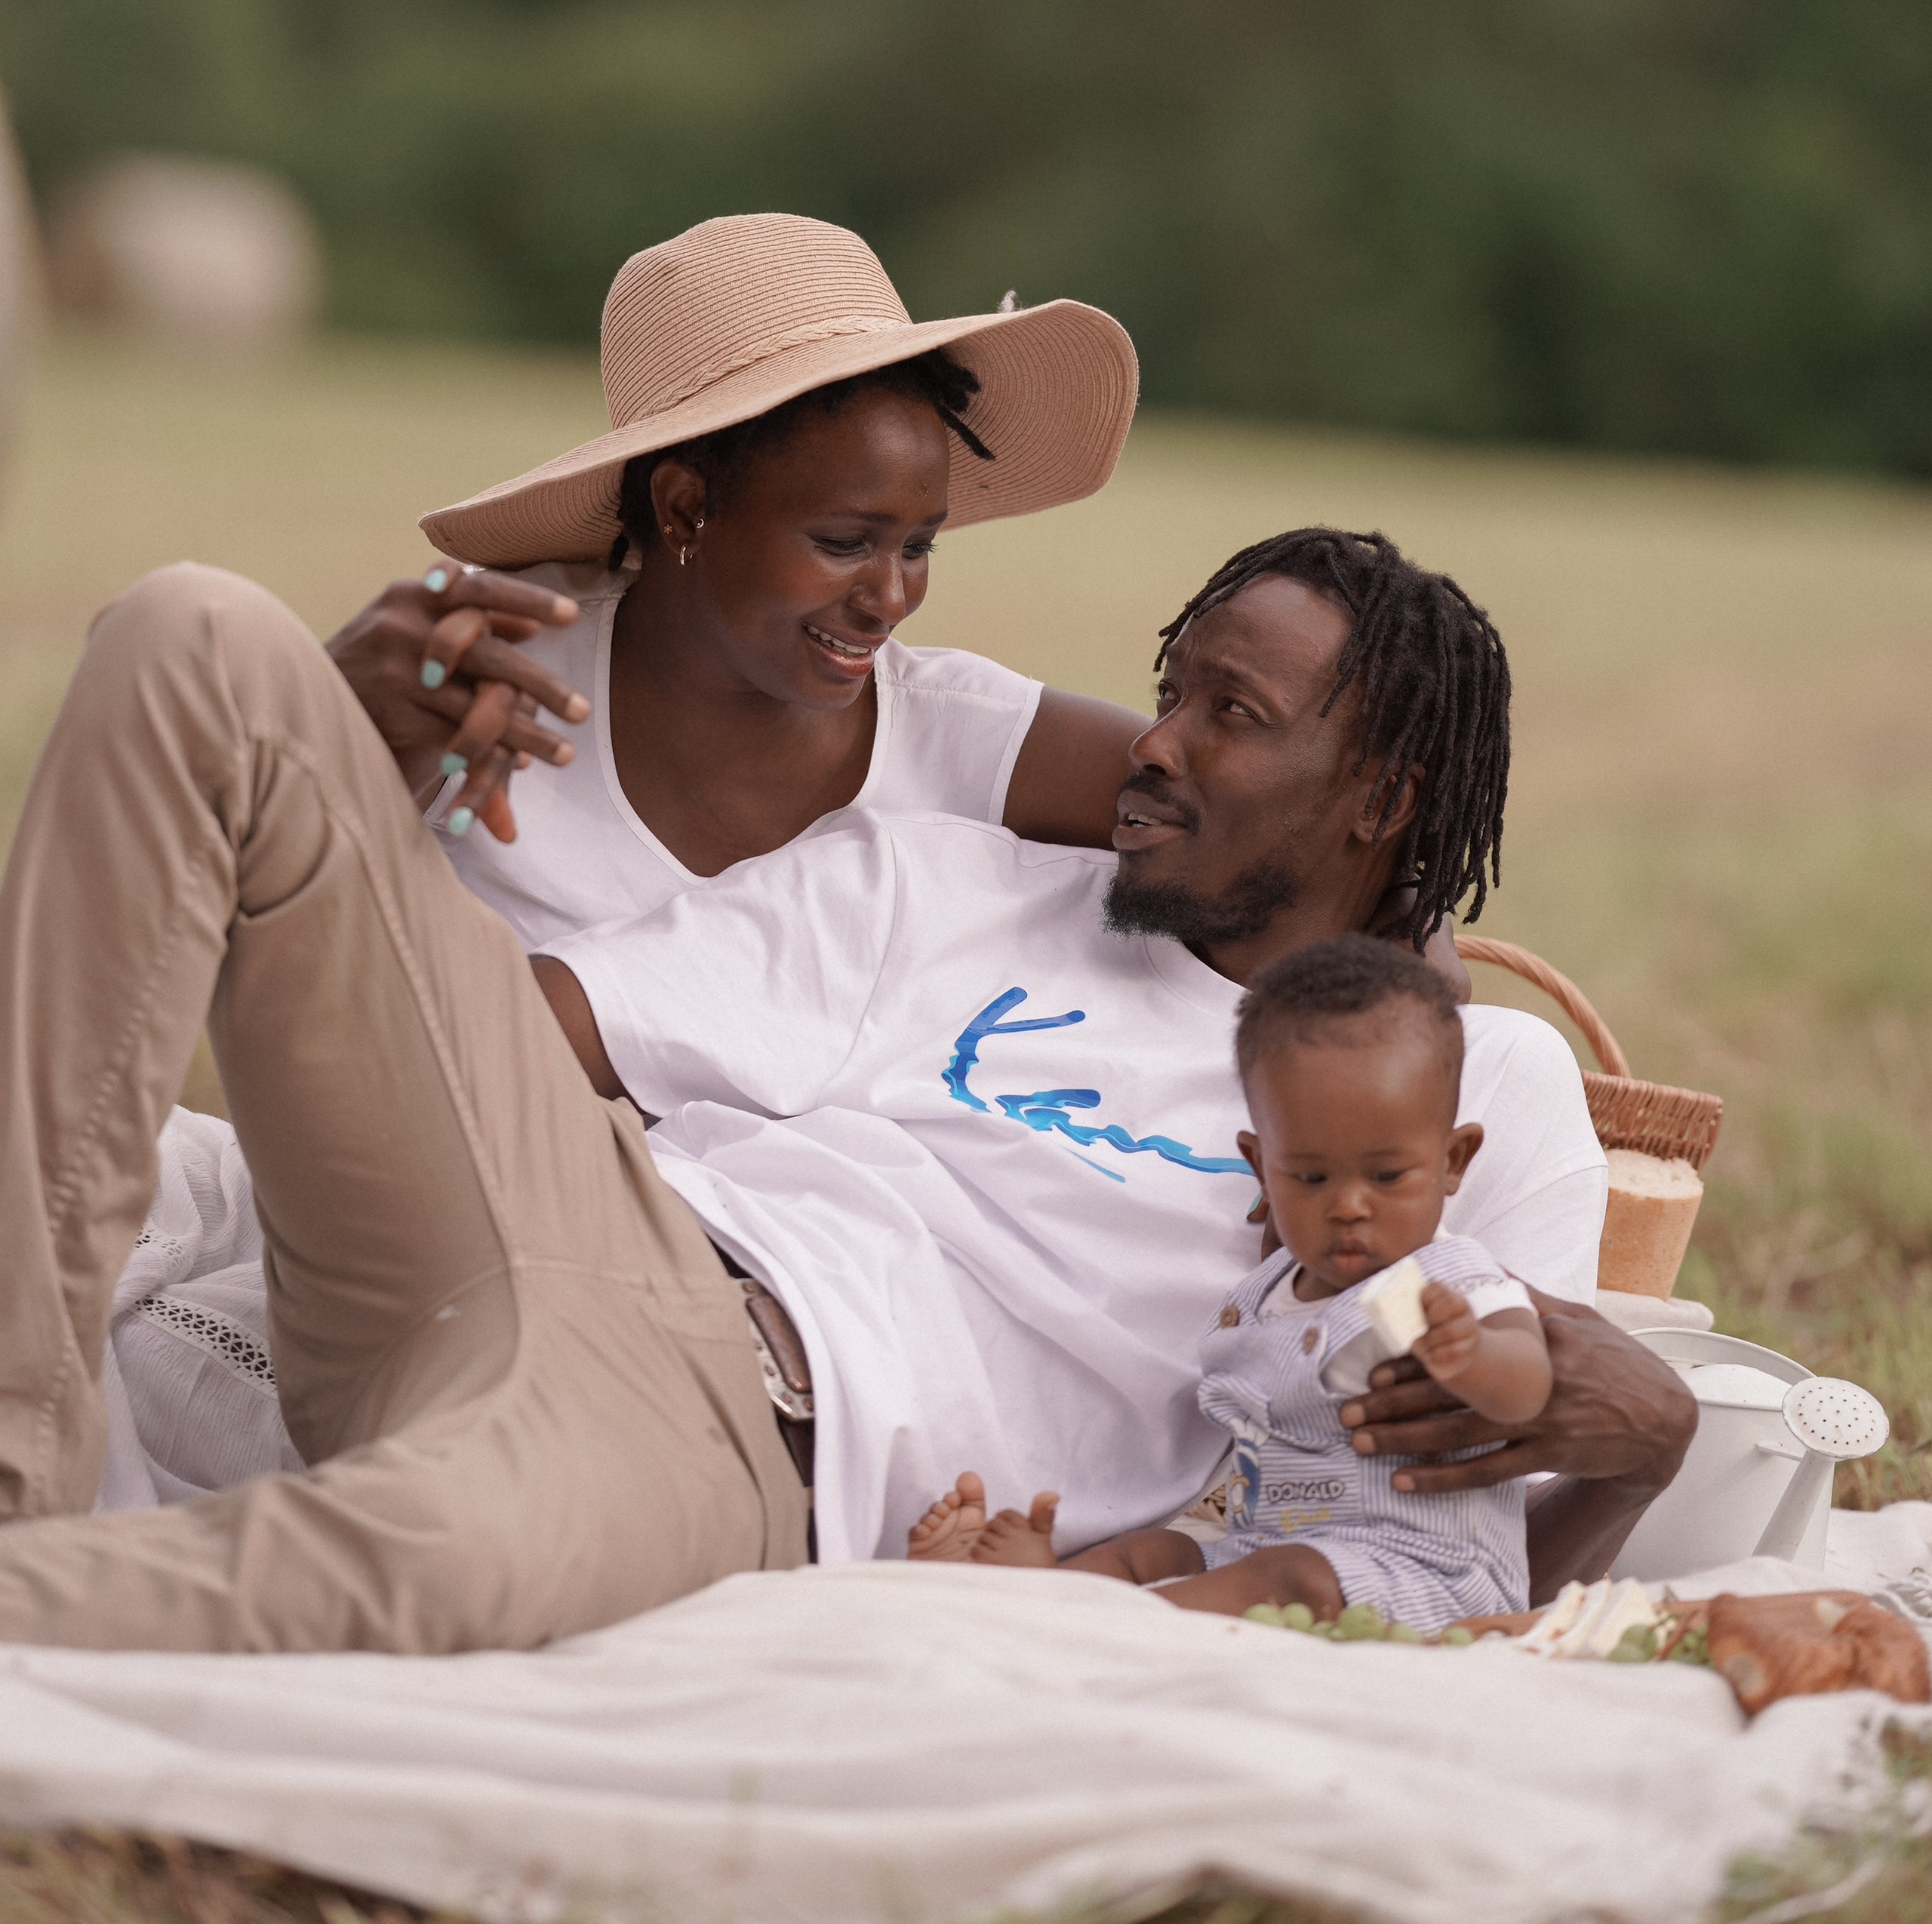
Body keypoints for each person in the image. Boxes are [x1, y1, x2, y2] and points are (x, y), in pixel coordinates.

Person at [0, 523, 1690, 1651]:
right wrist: (349, 792)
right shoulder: (939, 884)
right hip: (569, 1203)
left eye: (1226, 714)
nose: (1155, 742)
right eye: (1168, 689)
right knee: (199, 636)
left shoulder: (1480, 1084)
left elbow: (1465, 1568)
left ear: (1382, 796)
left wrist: (1643, 1447)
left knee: (393, 1592)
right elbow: (502, 1046)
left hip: (743, 1442)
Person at [103, 211, 1147, 1505]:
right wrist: (329, 733)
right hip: (401, 1226)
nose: (891, 595)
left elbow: (1254, 801)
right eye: (844, 541)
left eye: (918, 543)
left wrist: (1394, 954)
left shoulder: (964, 738)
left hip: (687, 1317)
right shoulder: (484, 680)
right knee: (126, 1282)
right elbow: (208, 960)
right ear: (687, 503)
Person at [904, 937, 1552, 1630]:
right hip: (1261, 1547)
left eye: (1388, 1176)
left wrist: (1475, 1356)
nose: (1349, 1205)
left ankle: (1084, 1625)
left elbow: (1530, 1387)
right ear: (1260, 1165)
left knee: (1288, 1576)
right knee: (1154, 1548)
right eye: (1309, 1176)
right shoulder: (1263, 1295)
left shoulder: (1450, 1280)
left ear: (1454, 1160)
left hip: (1416, 1574)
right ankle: (1051, 1590)